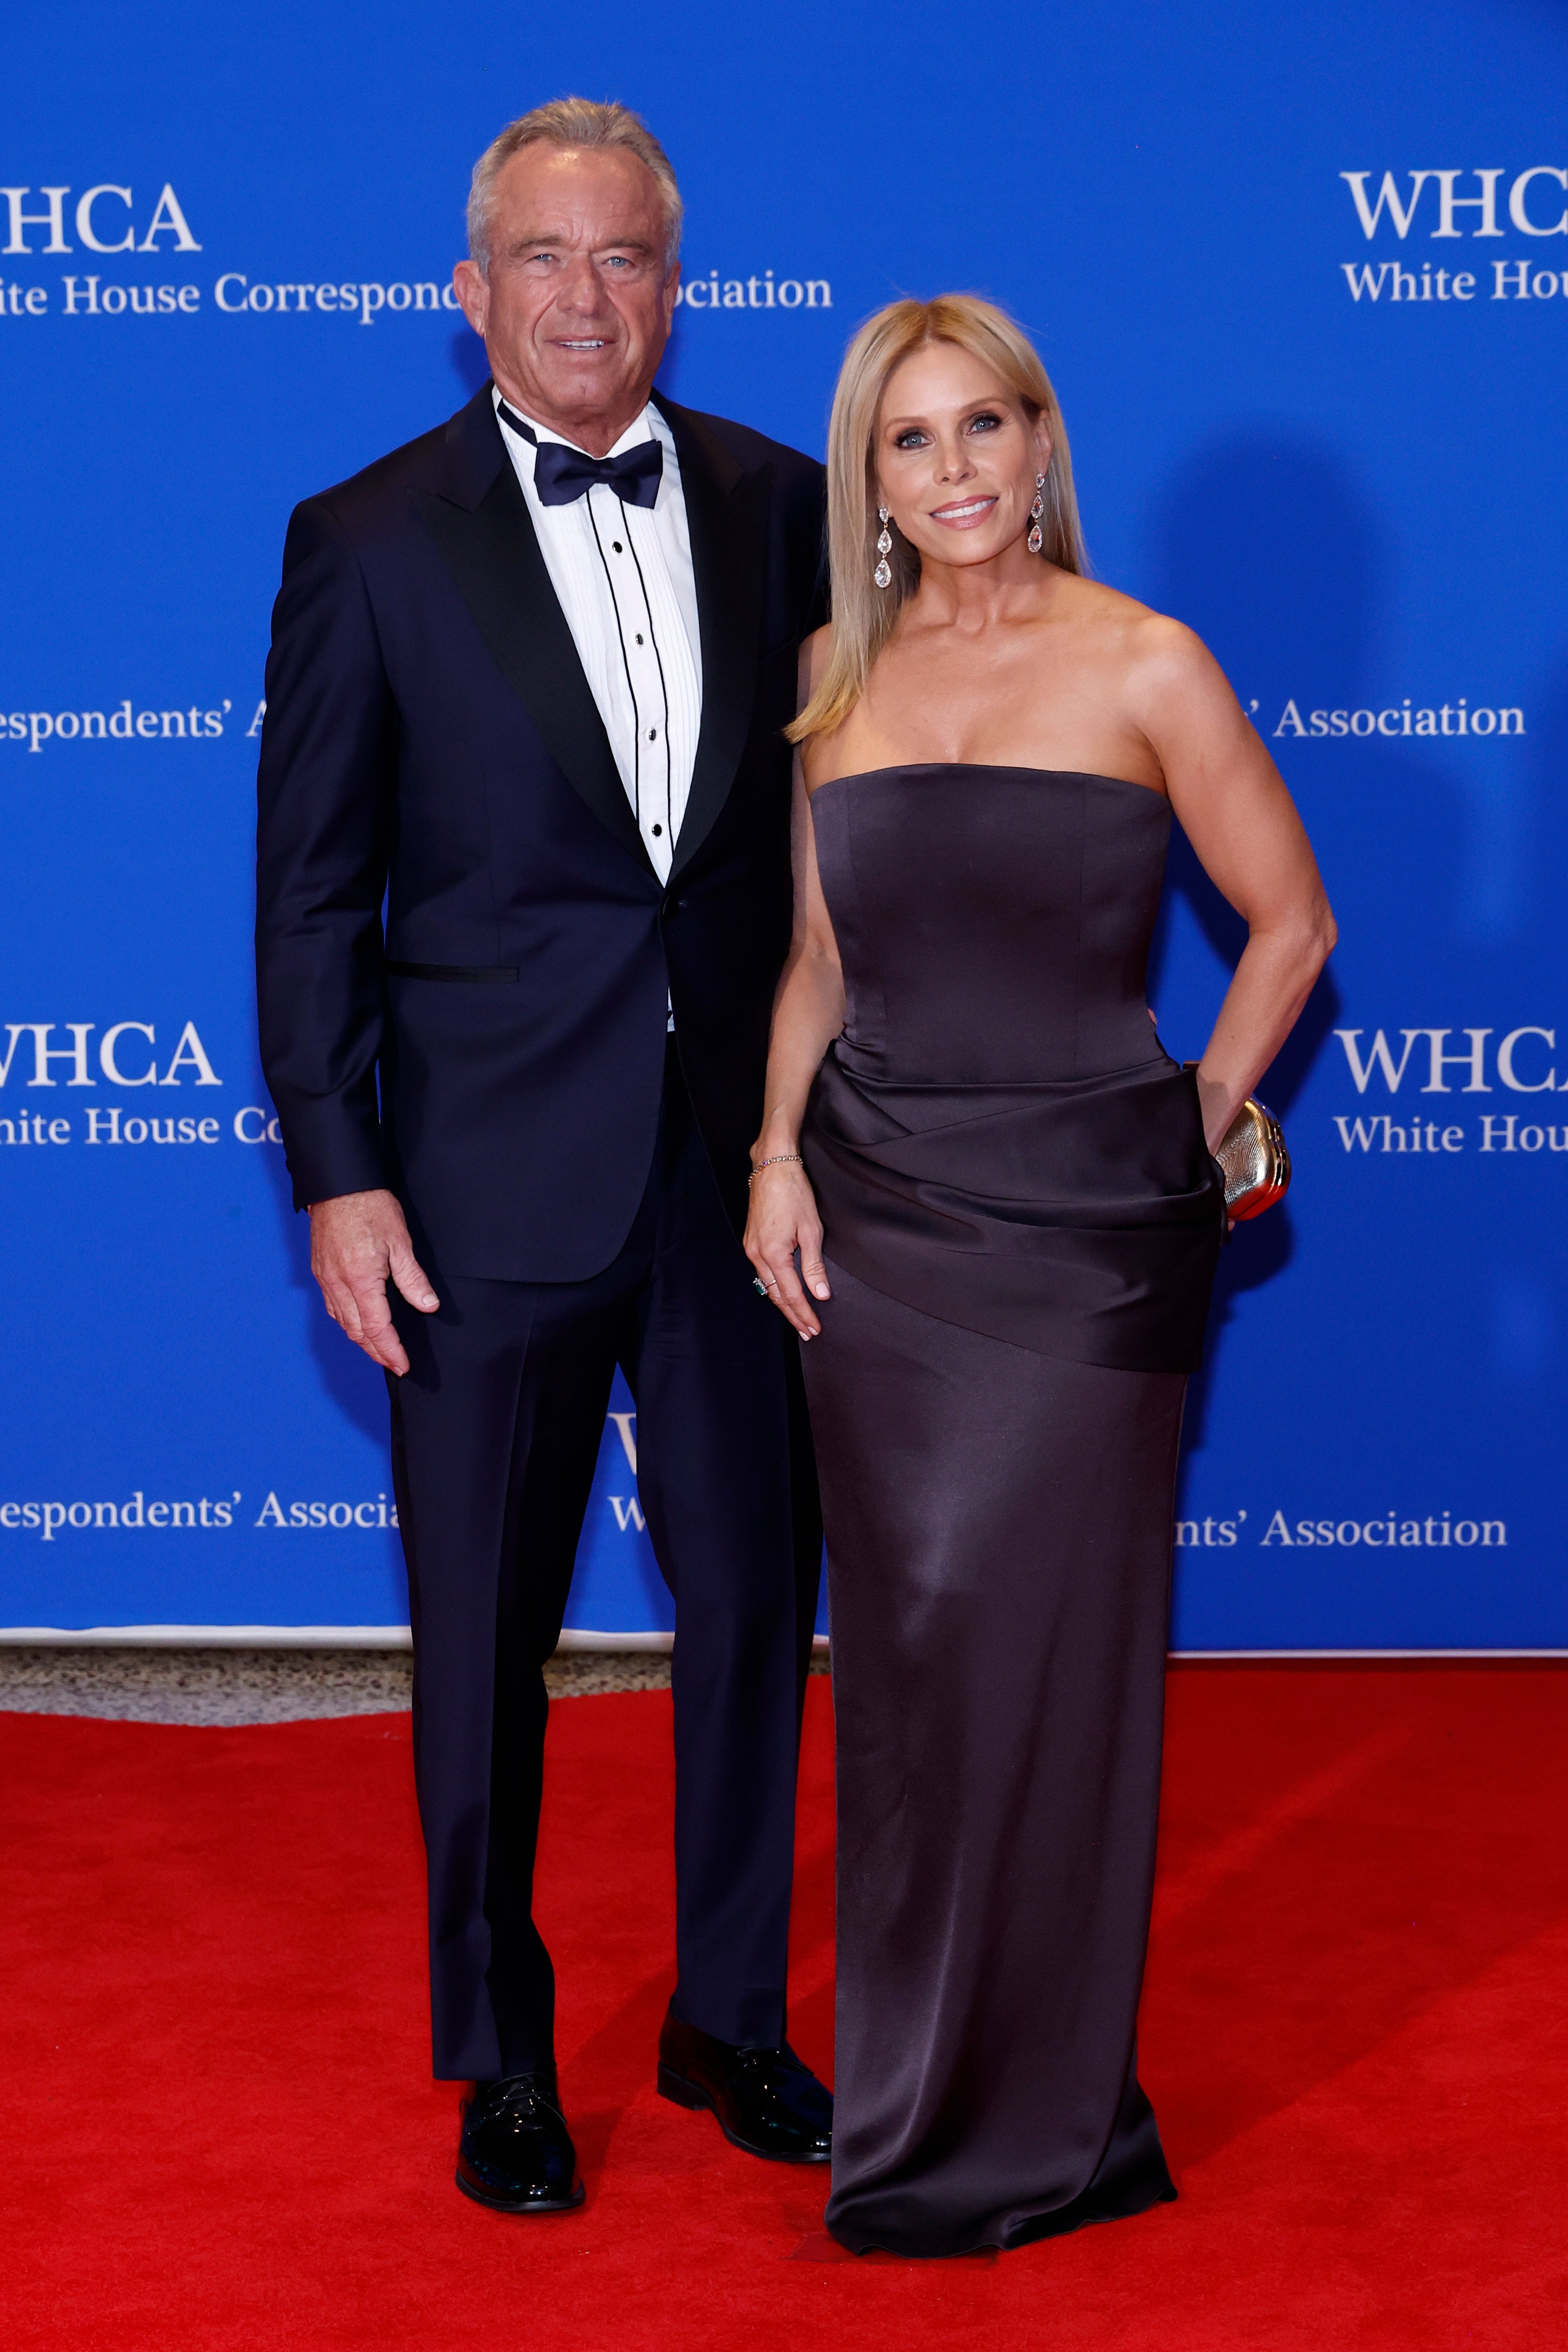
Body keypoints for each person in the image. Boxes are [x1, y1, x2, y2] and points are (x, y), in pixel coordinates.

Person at [255, 98, 833, 2216]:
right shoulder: (370, 536)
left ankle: (733, 2017)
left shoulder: (783, 501)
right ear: (472, 287)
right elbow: (309, 887)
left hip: (736, 1170)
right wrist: (339, 1164)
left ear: (677, 285)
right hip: (480, 1181)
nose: (590, 300)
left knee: (761, 1599)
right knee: (483, 1634)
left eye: (629, 261)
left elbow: (835, 840)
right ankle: (503, 2052)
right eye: (547, 257)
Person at [745, 295, 1336, 2257]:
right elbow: (822, 964)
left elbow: (1288, 917)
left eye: (982, 426)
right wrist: (770, 1159)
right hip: (883, 1216)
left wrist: (1196, 1118)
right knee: (913, 1664)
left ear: (1040, 436)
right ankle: (912, 2100)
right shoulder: (836, 668)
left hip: (1088, 1234)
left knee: (1054, 1660)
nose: (957, 472)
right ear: (874, 478)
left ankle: (1047, 2117)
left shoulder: (1148, 660)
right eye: (911, 443)